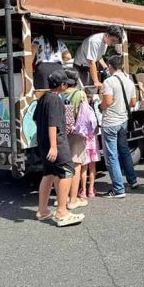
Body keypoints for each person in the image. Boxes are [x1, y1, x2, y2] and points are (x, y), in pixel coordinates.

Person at [33, 70, 84, 226]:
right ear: (62, 85)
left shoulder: (43, 98)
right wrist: (54, 146)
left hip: (43, 142)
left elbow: (35, 119)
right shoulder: (55, 100)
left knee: (48, 173)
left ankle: (42, 210)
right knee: (67, 171)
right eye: (66, 83)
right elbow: (52, 124)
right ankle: (62, 212)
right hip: (56, 143)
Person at [99, 55, 139, 198]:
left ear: (110, 66)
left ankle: (118, 189)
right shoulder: (129, 81)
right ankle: (133, 180)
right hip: (123, 120)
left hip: (110, 122)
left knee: (112, 156)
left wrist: (100, 106)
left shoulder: (109, 81)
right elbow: (133, 103)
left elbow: (108, 102)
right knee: (124, 150)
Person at [62, 70, 90, 209]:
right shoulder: (80, 94)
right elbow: (86, 114)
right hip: (77, 133)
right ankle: (73, 200)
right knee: (76, 165)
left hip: (62, 133)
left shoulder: (59, 93)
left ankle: (63, 198)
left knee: (63, 167)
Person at [32, 24, 71, 89]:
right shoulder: (59, 42)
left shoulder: (37, 40)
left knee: (43, 91)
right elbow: (68, 56)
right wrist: (60, 60)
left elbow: (32, 54)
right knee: (57, 90)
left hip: (43, 68)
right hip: (58, 68)